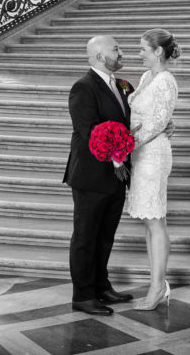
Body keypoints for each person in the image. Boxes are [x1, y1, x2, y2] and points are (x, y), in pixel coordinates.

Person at [62, 35, 134, 316]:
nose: (121, 52)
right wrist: (117, 154)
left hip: (118, 174)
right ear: (100, 56)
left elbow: (130, 123)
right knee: (85, 236)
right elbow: (89, 131)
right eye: (116, 49)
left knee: (106, 235)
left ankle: (101, 286)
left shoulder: (123, 85)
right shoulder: (83, 87)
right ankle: (82, 295)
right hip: (91, 176)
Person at [127, 28, 180, 311]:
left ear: (158, 51)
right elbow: (136, 110)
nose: (139, 55)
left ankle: (158, 287)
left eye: (143, 50)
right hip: (140, 154)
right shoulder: (148, 77)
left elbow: (158, 122)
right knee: (150, 221)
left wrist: (124, 143)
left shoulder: (166, 81)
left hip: (153, 155)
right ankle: (156, 283)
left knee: (155, 220)